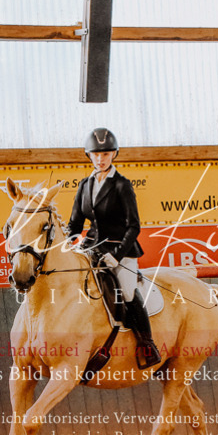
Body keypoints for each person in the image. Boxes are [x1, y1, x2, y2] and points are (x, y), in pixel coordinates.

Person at [67, 128, 162, 368]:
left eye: (106, 154)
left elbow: (134, 226)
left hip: (122, 251)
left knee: (127, 292)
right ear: (89, 155)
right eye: (96, 154)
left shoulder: (122, 185)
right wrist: (66, 245)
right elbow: (75, 224)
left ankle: (147, 344)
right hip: (91, 248)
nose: (101, 159)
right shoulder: (84, 185)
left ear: (114, 155)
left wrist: (117, 256)